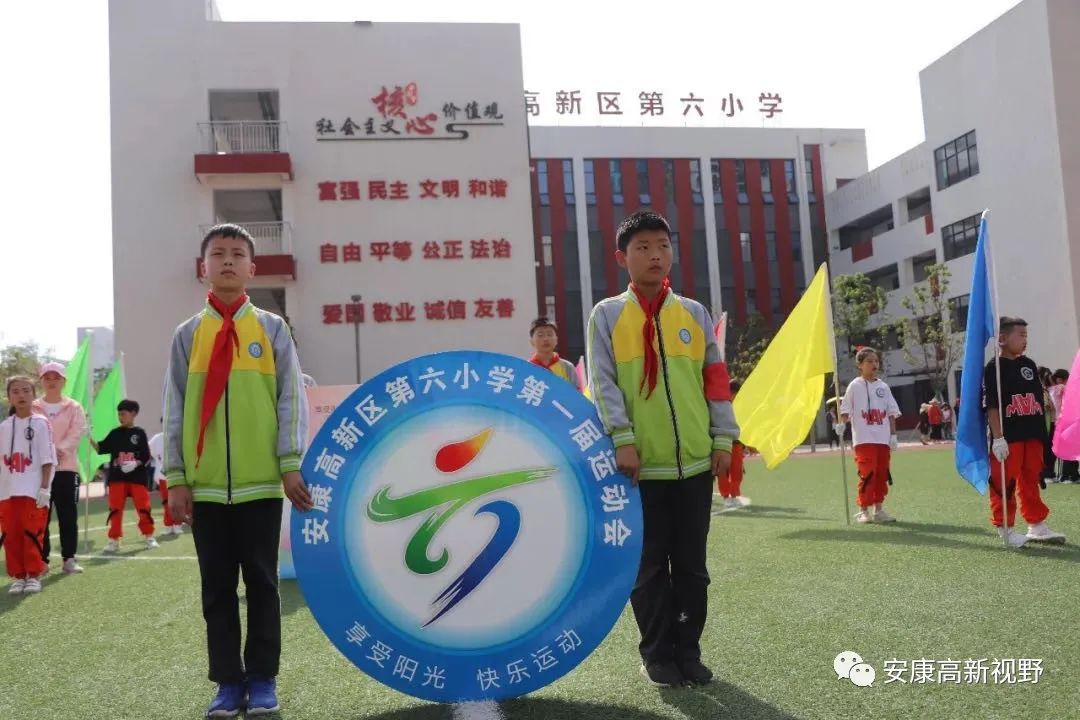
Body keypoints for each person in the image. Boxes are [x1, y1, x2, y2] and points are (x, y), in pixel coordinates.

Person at [587, 210, 738, 688]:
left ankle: (688, 651)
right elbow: (603, 384)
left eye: (662, 246)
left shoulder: (693, 313)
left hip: (695, 464)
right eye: (643, 247)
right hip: (640, 469)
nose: (655, 255)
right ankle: (657, 655)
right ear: (622, 258)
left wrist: (723, 437)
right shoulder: (607, 315)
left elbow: (716, 380)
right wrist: (622, 439)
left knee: (693, 568)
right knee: (649, 568)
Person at [164, 223, 310, 717]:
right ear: (203, 266)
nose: (228, 260)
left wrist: (289, 463)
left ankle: (263, 678)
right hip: (205, 490)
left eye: (237, 254)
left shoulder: (272, 329)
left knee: (264, 586)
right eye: (218, 253)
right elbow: (174, 407)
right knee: (217, 591)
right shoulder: (188, 335)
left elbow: (291, 398)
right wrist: (177, 477)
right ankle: (228, 682)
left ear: (252, 267)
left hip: (262, 484)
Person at [984, 317, 1066, 547]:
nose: (1025, 340)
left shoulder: (1028, 364)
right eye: (1020, 335)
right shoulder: (994, 368)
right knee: (1004, 481)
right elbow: (991, 405)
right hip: (1009, 436)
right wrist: (998, 438)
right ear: (1002, 338)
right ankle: (1005, 528)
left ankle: (1036, 524)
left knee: (1031, 478)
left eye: (1026, 335)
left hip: (1032, 433)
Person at [0, 376, 55, 594]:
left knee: (31, 532)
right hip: (7, 491)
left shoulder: (41, 423)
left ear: (33, 394)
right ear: (9, 397)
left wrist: (45, 488)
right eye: (15, 391)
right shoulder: (4, 427)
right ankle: (19, 576)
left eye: (25, 390)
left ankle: (33, 574)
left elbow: (48, 459)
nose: (21, 395)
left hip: (32, 490)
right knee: (10, 534)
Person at [32, 361, 88, 574]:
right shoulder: (33, 407)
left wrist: (58, 450)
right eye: (47, 378)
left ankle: (69, 558)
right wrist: (44, 454)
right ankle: (41, 560)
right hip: (38, 471)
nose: (51, 381)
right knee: (40, 516)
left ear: (64, 381)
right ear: (41, 381)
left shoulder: (74, 407)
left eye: (56, 378)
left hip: (66, 469)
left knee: (68, 515)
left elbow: (76, 432)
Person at [837, 347, 901, 523]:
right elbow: (845, 410)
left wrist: (893, 436)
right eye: (869, 361)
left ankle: (878, 510)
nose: (874, 364)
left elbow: (891, 412)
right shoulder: (854, 386)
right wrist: (841, 425)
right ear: (860, 365)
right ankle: (863, 510)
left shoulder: (883, 387)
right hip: (864, 439)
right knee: (868, 474)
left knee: (882, 474)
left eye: (876, 361)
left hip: (882, 439)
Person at [92, 399, 157, 552]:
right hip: (117, 478)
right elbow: (100, 448)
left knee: (143, 507)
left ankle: (149, 536)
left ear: (133, 413)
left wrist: (135, 463)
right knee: (115, 509)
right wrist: (88, 436)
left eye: (123, 414)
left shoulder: (139, 433)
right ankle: (114, 540)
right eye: (119, 414)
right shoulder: (115, 433)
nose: (120, 417)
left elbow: (146, 456)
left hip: (137, 478)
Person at [716, 381, 748, 511]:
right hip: (724, 442)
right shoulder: (721, 405)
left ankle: (734, 496)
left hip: (737, 444)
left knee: (737, 471)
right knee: (723, 471)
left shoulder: (742, 406)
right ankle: (726, 497)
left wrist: (745, 444)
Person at [528, 316, 583, 390]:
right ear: (531, 341)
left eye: (550, 334)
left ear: (556, 339)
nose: (546, 339)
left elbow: (576, 394)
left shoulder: (567, 367)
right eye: (540, 335)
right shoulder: (527, 368)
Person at [148, 423, 182, 535]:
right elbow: (148, 450)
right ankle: (168, 525)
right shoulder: (157, 438)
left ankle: (177, 525)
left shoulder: (179, 436)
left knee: (177, 502)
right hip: (163, 476)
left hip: (177, 474)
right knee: (166, 502)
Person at [1051, 368, 1078, 483]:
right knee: (1068, 450)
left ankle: (1070, 475)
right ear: (1060, 379)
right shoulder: (1060, 387)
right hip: (1063, 423)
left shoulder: (1053, 389)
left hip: (1062, 422)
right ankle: (1066, 475)